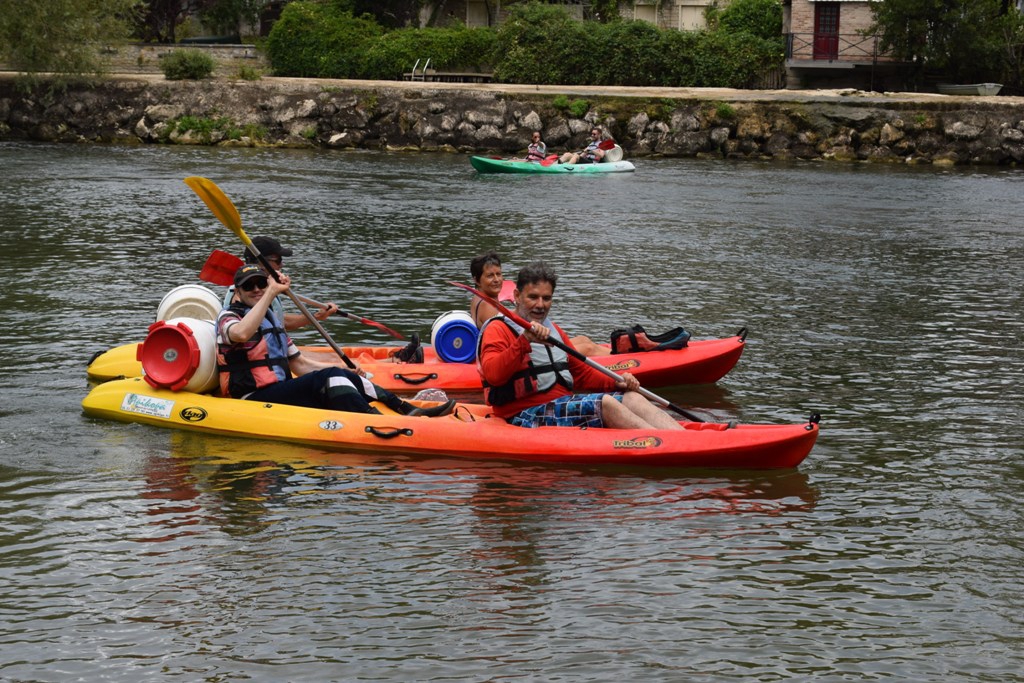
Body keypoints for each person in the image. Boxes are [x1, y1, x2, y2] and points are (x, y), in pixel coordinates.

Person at [217, 264, 454, 417]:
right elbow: (240, 334)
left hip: (278, 392)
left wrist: (342, 370)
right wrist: (270, 292)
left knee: (339, 374)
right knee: (328, 377)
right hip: (250, 399)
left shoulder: (270, 319)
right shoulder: (228, 316)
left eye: (261, 284)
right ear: (237, 291)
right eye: (248, 286)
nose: (256, 289)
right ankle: (373, 419)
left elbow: (299, 364)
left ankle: (403, 407)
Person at [476, 261, 684, 430]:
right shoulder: (498, 328)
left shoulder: (554, 330)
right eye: (533, 297)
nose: (540, 305)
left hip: (560, 406)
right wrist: (525, 341)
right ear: (517, 296)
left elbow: (582, 373)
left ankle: (681, 438)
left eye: (546, 298)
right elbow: (494, 375)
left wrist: (617, 381)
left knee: (631, 397)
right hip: (523, 415)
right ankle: (663, 444)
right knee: (606, 403)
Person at [469, 251, 605, 356]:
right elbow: (507, 338)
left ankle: (614, 352)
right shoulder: (487, 305)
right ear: (476, 280)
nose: (497, 280)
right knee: (588, 347)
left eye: (498, 274)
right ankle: (617, 359)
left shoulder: (481, 298)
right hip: (526, 350)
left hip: (527, 343)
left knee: (582, 339)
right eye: (490, 276)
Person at [221, 236, 339, 333]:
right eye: (278, 260)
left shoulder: (267, 287)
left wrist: (317, 316)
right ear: (262, 263)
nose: (281, 265)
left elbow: (279, 320)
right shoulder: (243, 293)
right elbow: (244, 328)